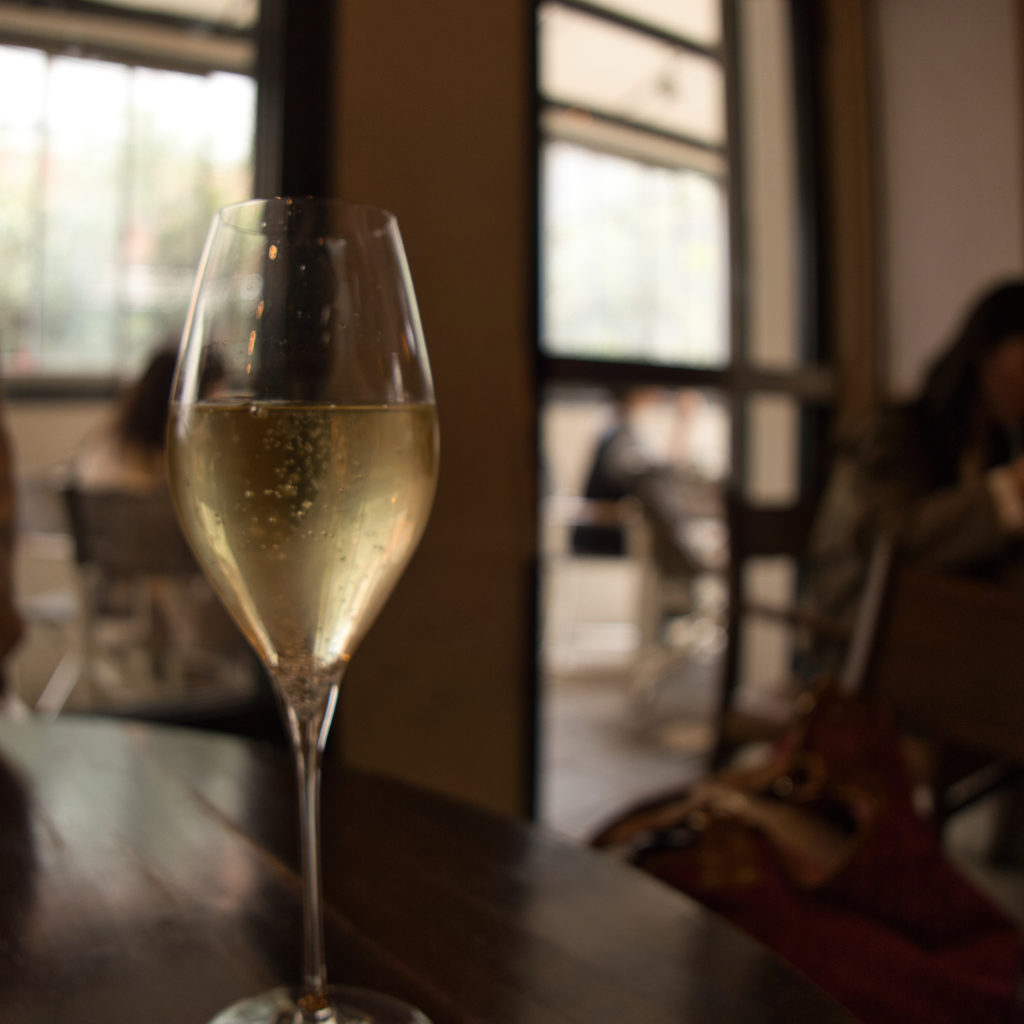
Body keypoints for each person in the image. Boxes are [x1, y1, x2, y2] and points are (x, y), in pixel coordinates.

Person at [801, 278, 1024, 671]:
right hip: (859, 642)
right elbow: (887, 543)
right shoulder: (892, 432)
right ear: (987, 351)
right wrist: (1008, 493)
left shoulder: (993, 448)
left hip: (944, 643)